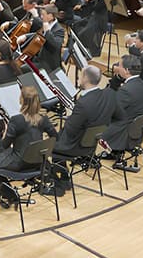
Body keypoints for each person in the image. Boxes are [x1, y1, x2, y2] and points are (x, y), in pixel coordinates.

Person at [50, 65, 117, 194]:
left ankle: (60, 184)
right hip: (91, 144)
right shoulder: (107, 95)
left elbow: (70, 129)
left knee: (51, 144)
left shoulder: (83, 103)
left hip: (76, 145)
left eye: (81, 76)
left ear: (85, 78)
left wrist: (69, 117)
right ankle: (64, 178)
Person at [0, 85, 57, 202]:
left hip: (20, 163)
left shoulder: (16, 120)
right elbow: (55, 137)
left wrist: (5, 131)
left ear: (22, 100)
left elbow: (5, 145)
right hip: (39, 162)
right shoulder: (43, 119)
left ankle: (7, 192)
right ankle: (0, 190)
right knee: (1, 155)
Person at [99, 55, 143, 170]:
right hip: (138, 127)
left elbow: (111, 109)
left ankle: (86, 156)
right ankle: (114, 152)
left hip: (124, 130)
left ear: (127, 70)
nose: (117, 67)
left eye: (120, 65)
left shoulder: (126, 90)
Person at [16, 4, 65, 72]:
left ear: (50, 16)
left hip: (47, 63)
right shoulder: (46, 23)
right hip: (37, 57)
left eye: (43, 15)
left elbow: (55, 46)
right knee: (15, 58)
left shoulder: (59, 30)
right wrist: (26, 36)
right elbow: (39, 35)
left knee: (23, 68)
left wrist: (47, 31)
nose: (41, 17)